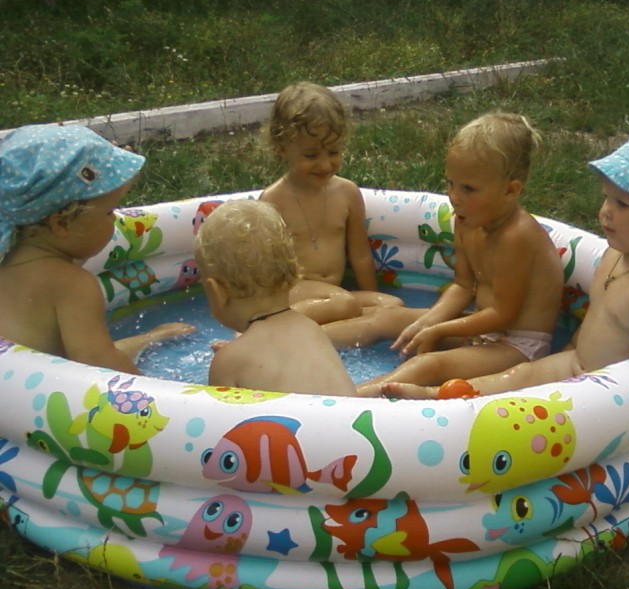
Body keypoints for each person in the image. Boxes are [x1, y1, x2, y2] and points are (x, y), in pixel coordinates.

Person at [384, 136, 629, 400]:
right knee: (515, 378)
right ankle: (429, 396)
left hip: (603, 394)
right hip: (573, 363)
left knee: (511, 393)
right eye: (606, 197)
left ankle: (425, 398)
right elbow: (596, 320)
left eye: (622, 204)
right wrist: (570, 348)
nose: (606, 211)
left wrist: (590, 395)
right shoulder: (615, 255)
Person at [354, 112, 564, 397]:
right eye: (451, 183)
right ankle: (305, 343)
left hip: (516, 347)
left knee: (426, 365)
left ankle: (345, 401)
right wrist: (429, 321)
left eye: (468, 188)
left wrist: (440, 330)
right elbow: (463, 285)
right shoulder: (467, 220)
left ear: (510, 190)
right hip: (483, 332)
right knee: (387, 319)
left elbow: (503, 314)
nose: (454, 196)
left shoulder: (517, 236)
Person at [0, 124, 194, 374]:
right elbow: (101, 368)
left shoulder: (11, 260)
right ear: (62, 223)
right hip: (42, 396)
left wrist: (116, 180)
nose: (115, 219)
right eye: (109, 212)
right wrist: (160, 392)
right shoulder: (72, 285)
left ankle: (148, 338)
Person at [260, 81, 401, 324]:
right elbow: (265, 271)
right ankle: (264, 329)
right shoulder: (273, 201)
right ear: (281, 148)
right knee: (342, 303)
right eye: (311, 155)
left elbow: (360, 256)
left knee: (391, 305)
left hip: (335, 296)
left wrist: (372, 296)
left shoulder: (347, 193)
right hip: (294, 295)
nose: (325, 164)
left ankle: (323, 331)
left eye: (334, 152)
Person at [193, 198, 356, 395]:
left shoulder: (227, 361)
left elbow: (218, 415)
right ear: (292, 275)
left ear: (217, 291)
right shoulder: (312, 330)